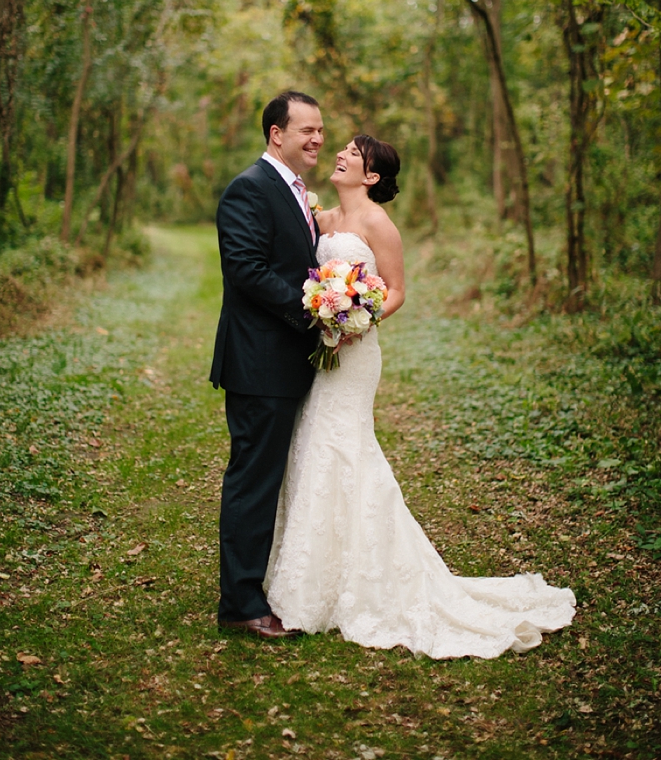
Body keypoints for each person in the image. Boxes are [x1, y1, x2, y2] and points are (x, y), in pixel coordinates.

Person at [265, 134, 576, 658]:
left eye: (351, 154)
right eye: (338, 149)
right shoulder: (323, 220)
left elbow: (397, 290)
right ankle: (310, 574)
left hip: (355, 352)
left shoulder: (377, 225)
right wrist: (325, 314)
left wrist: (356, 318)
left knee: (344, 444)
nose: (338, 154)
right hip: (324, 347)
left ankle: (367, 579)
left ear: (371, 176)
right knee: (313, 441)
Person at [210, 90, 324, 639]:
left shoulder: (299, 193)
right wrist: (314, 312)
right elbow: (247, 270)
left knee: (276, 476)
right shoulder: (248, 189)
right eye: (307, 130)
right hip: (259, 361)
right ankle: (241, 602)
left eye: (321, 130)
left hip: (289, 362)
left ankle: (265, 583)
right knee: (253, 480)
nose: (318, 139)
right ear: (277, 134)